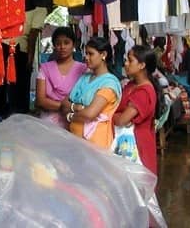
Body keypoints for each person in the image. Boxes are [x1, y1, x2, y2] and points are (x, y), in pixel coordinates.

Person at [60, 37, 122, 149]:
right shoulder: (84, 78)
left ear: (103, 54)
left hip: (95, 142)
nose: (86, 58)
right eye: (86, 54)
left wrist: (69, 115)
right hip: (75, 139)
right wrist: (77, 107)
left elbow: (90, 114)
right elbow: (64, 104)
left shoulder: (109, 83)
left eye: (90, 54)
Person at [112, 45, 158, 176]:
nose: (126, 63)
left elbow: (121, 120)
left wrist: (110, 115)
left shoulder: (144, 92)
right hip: (126, 141)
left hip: (138, 144)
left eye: (130, 60)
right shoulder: (131, 85)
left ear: (142, 65)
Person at [35, 27, 87, 127]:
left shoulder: (83, 70)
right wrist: (70, 107)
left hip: (75, 119)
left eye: (66, 43)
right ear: (54, 46)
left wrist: (72, 109)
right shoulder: (45, 69)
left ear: (74, 45)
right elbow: (40, 100)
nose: (62, 47)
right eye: (58, 44)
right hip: (49, 121)